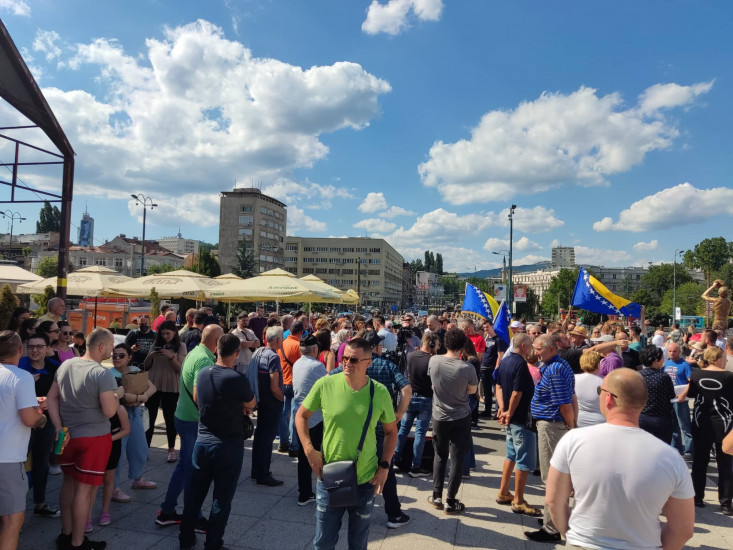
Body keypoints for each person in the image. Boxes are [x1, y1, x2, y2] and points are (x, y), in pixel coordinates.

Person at [545, 368, 695, 550]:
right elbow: (683, 529)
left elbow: (553, 501)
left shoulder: (573, 440)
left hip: (583, 543)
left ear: (608, 398)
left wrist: (573, 535)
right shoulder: (671, 457)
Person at [295, 338, 397, 550]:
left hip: (365, 480)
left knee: (358, 543)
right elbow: (301, 416)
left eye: (354, 360)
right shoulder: (326, 384)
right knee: (323, 542)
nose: (347, 363)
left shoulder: (379, 392)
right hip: (330, 476)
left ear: (368, 362)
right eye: (344, 358)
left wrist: (385, 466)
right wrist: (308, 450)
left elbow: (390, 432)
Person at [179, 334, 256, 550]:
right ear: (236, 354)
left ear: (216, 350)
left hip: (202, 441)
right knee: (222, 498)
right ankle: (213, 543)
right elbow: (252, 402)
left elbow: (196, 398)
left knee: (194, 495)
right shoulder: (236, 378)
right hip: (228, 446)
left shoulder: (203, 373)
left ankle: (185, 539)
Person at [46, 327, 121, 550]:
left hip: (67, 435)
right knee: (84, 489)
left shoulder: (66, 365)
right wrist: (118, 396)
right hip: (94, 437)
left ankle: (66, 535)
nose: (112, 350)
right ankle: (78, 543)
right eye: (110, 346)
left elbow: (51, 398)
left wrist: (59, 426)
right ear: (101, 347)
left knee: (68, 483)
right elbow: (109, 411)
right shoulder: (101, 374)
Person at [329, 331, 412, 528]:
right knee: (386, 469)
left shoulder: (348, 366)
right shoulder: (387, 365)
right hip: (382, 428)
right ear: (375, 347)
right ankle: (394, 514)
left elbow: (329, 378)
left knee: (351, 466)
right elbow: (406, 389)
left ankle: (347, 506)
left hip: (355, 427)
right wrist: (399, 413)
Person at [156, 324, 222, 529]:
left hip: (184, 416)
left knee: (185, 467)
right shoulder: (203, 359)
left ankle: (168, 510)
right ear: (216, 342)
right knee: (192, 470)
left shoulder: (196, 352)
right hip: (192, 420)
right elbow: (199, 394)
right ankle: (191, 516)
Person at [524, 334, 576, 543]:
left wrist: (571, 426)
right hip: (552, 424)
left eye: (538, 349)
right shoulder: (555, 365)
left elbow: (565, 403)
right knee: (553, 476)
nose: (535, 353)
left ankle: (552, 528)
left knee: (551, 478)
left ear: (552, 349)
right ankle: (552, 518)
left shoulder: (554, 369)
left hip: (552, 426)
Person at [0, 330, 48, 550]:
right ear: (20, 351)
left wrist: (30, 403)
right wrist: (42, 418)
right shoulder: (21, 376)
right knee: (12, 520)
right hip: (8, 459)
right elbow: (29, 419)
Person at [427, 328, 478, 515]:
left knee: (439, 456)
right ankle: (451, 500)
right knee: (457, 459)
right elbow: (472, 391)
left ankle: (436, 495)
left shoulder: (434, 361)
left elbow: (432, 382)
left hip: (440, 416)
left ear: (445, 342)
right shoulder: (467, 368)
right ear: (463, 345)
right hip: (461, 415)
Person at [681, 345, 733, 513]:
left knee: (700, 461)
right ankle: (725, 503)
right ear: (718, 359)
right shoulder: (729, 377)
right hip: (724, 423)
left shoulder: (696, 374)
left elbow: (691, 395)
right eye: (724, 358)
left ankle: (698, 497)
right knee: (725, 463)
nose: (726, 361)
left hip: (701, 421)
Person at [495, 333, 540, 516]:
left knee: (511, 454)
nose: (531, 350)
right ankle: (519, 500)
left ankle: (504, 491)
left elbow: (498, 386)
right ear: (523, 346)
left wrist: (502, 408)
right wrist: (509, 411)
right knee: (523, 459)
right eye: (530, 346)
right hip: (521, 418)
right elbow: (517, 392)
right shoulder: (520, 363)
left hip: (512, 417)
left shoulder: (505, 361)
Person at [18, 333, 61, 518]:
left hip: (47, 422)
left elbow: (61, 395)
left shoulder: (54, 368)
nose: (35, 350)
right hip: (22, 424)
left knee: (42, 464)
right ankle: (13, 512)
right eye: (31, 346)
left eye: (39, 347)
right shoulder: (20, 367)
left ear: (46, 348)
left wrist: (51, 405)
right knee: (19, 467)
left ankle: (40, 503)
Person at [111, 343, 157, 504]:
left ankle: (138, 478)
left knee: (139, 447)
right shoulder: (108, 373)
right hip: (116, 417)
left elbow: (152, 387)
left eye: (121, 355)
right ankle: (113, 487)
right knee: (117, 452)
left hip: (135, 414)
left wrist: (140, 398)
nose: (116, 358)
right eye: (114, 355)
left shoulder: (135, 370)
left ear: (130, 357)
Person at [143, 320, 186, 462]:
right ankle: (145, 448)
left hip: (171, 387)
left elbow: (179, 369)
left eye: (168, 333)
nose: (166, 336)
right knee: (150, 418)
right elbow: (146, 366)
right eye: (163, 334)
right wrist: (150, 356)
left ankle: (172, 449)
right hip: (153, 386)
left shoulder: (181, 346)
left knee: (170, 419)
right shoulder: (156, 344)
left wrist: (170, 356)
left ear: (174, 332)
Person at [292, 333, 327, 506]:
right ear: (315, 349)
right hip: (315, 418)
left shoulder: (297, 363)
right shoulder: (317, 366)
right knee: (319, 455)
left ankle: (304, 492)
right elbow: (328, 388)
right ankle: (322, 490)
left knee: (303, 456)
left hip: (300, 416)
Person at [394, 332, 436, 477]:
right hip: (426, 399)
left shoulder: (411, 356)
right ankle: (415, 466)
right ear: (431, 344)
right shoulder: (432, 360)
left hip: (411, 397)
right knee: (420, 433)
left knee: (403, 430)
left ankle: (395, 460)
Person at [249, 325, 285, 486]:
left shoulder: (261, 352)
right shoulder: (273, 357)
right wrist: (282, 399)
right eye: (281, 339)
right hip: (271, 402)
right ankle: (263, 474)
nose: (282, 341)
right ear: (277, 340)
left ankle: (256, 471)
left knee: (260, 437)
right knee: (267, 438)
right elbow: (274, 386)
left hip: (261, 400)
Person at [86, 401, 129, 530]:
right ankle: (87, 516)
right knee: (93, 483)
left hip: (112, 444)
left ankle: (105, 511)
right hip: (96, 443)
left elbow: (126, 430)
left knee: (109, 479)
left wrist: (109, 439)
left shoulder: (119, 408)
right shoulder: (95, 406)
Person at [638, 345, 676, 444]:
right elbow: (671, 395)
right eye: (662, 358)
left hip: (641, 416)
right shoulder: (663, 377)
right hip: (661, 418)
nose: (664, 360)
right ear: (656, 360)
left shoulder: (637, 375)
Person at [278, 320, 304, 455]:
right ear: (300, 332)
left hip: (283, 381)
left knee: (283, 413)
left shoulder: (281, 343)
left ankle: (283, 441)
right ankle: (294, 445)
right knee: (294, 414)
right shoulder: (298, 345)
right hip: (294, 382)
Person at [664, 342, 694, 457]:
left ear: (679, 352)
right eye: (670, 351)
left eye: (674, 351)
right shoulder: (666, 363)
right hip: (670, 398)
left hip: (681, 399)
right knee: (673, 424)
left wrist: (683, 394)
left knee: (684, 425)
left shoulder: (685, 365)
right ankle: (676, 447)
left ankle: (689, 450)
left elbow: (691, 382)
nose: (672, 353)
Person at [479, 320, 507, 416]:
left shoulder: (498, 340)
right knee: (487, 391)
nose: (486, 329)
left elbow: (500, 355)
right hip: (484, 367)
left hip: (493, 368)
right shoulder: (486, 339)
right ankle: (487, 410)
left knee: (497, 390)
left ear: (492, 326)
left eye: (487, 327)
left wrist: (496, 367)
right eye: (484, 327)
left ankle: (498, 411)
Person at [574, 351, 604, 427]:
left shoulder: (573, 379)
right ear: (598, 365)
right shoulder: (604, 382)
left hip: (578, 421)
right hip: (600, 422)